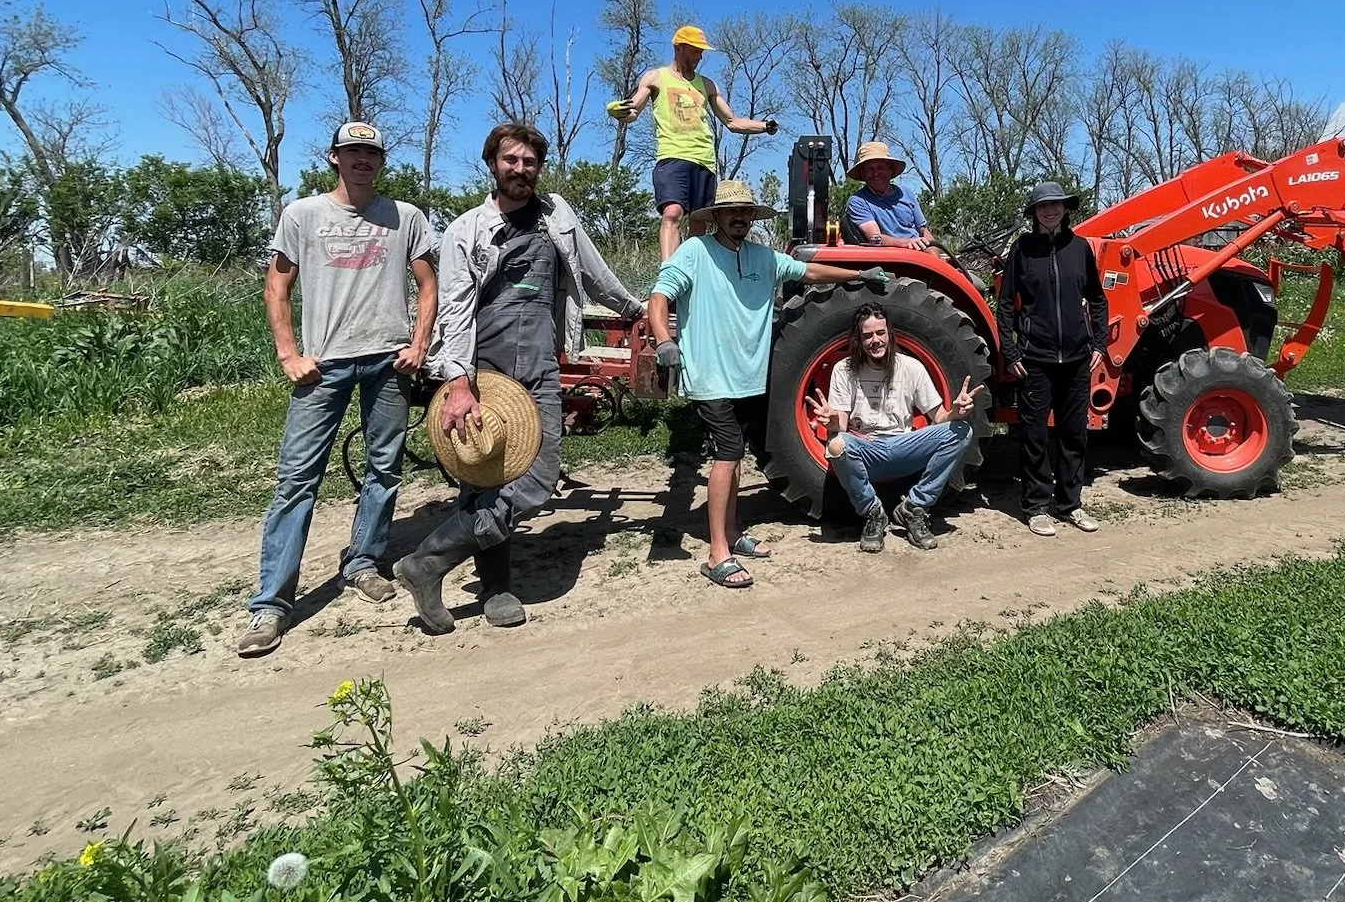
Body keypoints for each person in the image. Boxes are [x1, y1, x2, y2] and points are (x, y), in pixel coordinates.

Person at [396, 122, 645, 635]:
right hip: (486, 368)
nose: (521, 169)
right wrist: (460, 382)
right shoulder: (468, 229)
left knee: (536, 473)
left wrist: (634, 309)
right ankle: (495, 586)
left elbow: (594, 273)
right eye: (511, 160)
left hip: (541, 364)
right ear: (493, 164)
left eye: (530, 161)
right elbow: (456, 309)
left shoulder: (556, 216)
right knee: (485, 475)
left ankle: (426, 563)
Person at [239, 121, 437, 658]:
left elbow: (426, 285)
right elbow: (277, 285)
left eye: (371, 153)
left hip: (387, 360)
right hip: (322, 365)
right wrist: (288, 354)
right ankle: (271, 605)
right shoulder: (302, 215)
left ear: (381, 160)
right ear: (334, 158)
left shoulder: (405, 217)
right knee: (297, 479)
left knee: (384, 469)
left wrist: (418, 345)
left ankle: (363, 563)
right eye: (352, 152)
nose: (362, 161)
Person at [645, 180, 888, 590]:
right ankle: (717, 553)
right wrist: (665, 341)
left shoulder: (762, 256)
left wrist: (860, 273)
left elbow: (808, 270)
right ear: (717, 217)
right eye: (731, 212)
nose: (739, 218)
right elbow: (659, 297)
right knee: (727, 454)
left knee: (736, 457)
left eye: (746, 212)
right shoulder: (694, 252)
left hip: (748, 378)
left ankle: (733, 532)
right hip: (710, 375)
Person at [808, 303, 977, 553]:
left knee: (962, 430)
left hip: (904, 446)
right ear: (858, 339)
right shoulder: (844, 370)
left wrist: (957, 411)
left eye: (880, 333)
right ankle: (873, 514)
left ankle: (914, 508)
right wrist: (830, 418)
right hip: (867, 448)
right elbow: (840, 424)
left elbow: (939, 416)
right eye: (867, 336)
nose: (875, 341)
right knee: (836, 443)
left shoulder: (911, 368)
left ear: (889, 333)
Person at [606, 24, 779, 258]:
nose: (700, 56)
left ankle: (694, 274)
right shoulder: (656, 77)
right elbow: (634, 110)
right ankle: (669, 274)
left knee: (698, 222)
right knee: (672, 213)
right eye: (695, 50)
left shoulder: (707, 85)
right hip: (673, 156)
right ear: (679, 48)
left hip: (704, 161)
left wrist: (764, 126)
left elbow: (731, 121)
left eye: (701, 51)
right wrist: (620, 111)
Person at [997, 180, 1111, 538]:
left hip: (1077, 357)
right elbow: (1005, 305)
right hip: (1035, 358)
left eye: (1056, 205)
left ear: (1065, 209)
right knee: (1034, 434)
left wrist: (1099, 344)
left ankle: (1070, 504)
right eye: (1043, 206)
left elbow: (1097, 297)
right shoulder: (1022, 250)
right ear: (1034, 213)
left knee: (1074, 433)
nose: (1050, 211)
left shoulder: (1080, 249)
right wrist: (1011, 350)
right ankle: (1036, 507)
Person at [843, 142, 936, 250]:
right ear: (863, 173)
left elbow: (923, 230)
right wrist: (906, 243)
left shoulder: (906, 193)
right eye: (870, 169)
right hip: (889, 258)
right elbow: (875, 239)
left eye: (880, 167)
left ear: (890, 169)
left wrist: (932, 251)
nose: (875, 173)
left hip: (919, 251)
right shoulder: (858, 201)